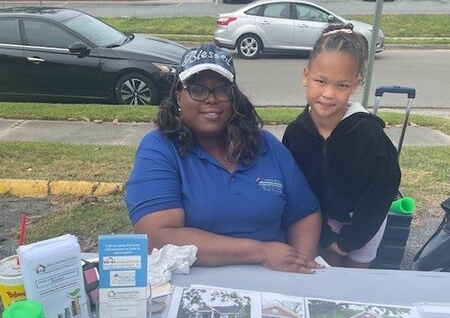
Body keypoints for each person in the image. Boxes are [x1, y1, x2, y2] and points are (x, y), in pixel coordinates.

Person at [125, 42, 322, 274]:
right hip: (194, 283)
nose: (211, 99)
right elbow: (158, 237)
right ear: (179, 96)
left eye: (221, 89)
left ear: (233, 97)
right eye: (197, 89)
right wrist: (262, 252)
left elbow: (305, 213)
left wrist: (298, 268)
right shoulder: (159, 149)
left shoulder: (265, 144)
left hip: (272, 282)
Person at [282, 24, 401, 268]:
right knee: (325, 277)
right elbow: (295, 188)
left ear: (356, 84)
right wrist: (326, 235)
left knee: (355, 282)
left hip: (365, 223)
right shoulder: (296, 133)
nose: (328, 93)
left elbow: (382, 190)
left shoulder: (369, 135)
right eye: (321, 81)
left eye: (341, 85)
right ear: (306, 76)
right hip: (321, 220)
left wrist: (351, 239)